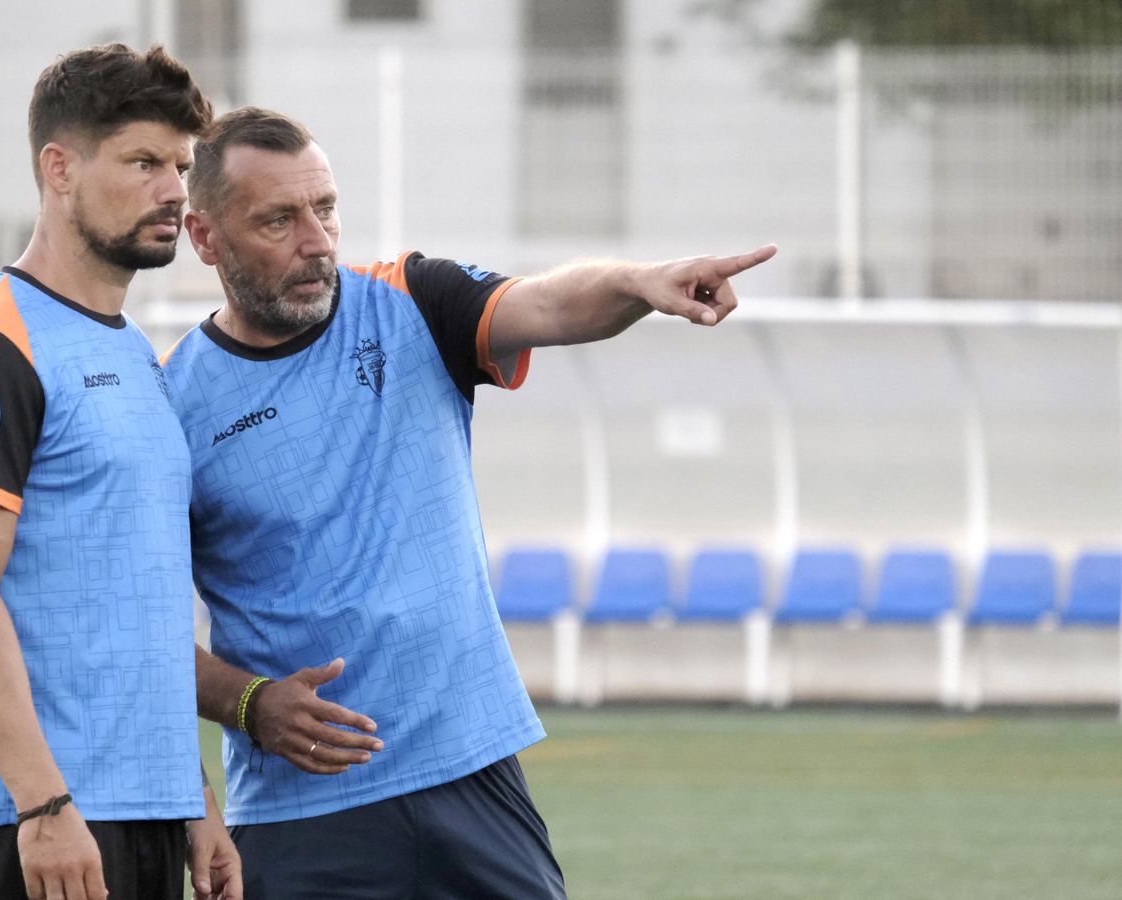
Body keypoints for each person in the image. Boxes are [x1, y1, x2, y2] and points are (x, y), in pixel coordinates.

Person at [162, 105, 776, 898]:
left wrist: (636, 282)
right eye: (278, 219)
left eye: (326, 208)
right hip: (298, 812)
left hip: (471, 773)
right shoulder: (170, 406)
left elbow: (551, 304)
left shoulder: (410, 302)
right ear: (205, 237)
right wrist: (246, 704)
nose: (316, 240)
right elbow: (139, 627)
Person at [0, 44, 241, 900]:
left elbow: (142, 599)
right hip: (38, 819)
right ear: (59, 168)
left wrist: (189, 791)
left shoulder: (132, 352)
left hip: (146, 807)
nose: (173, 188)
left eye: (180, 165)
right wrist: (41, 803)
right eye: (143, 162)